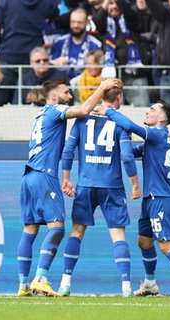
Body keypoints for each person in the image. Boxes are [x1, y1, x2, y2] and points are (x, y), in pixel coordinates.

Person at [17, 77, 119, 297]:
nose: (70, 96)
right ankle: (41, 278)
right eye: (66, 92)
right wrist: (101, 88)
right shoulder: (54, 110)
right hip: (45, 175)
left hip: (28, 176)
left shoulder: (40, 114)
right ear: (54, 96)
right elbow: (83, 111)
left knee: (30, 231)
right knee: (58, 228)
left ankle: (23, 285)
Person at [97, 100, 170, 298]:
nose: (147, 111)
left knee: (165, 245)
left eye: (152, 109)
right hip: (150, 199)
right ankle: (150, 284)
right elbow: (128, 152)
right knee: (144, 242)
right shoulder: (152, 141)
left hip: (161, 198)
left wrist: (108, 111)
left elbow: (130, 126)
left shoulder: (158, 133)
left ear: (161, 118)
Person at [57, 79, 142, 297]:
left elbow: (68, 151)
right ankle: (126, 287)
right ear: (119, 98)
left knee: (77, 232)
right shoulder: (121, 123)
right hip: (111, 186)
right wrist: (134, 184)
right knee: (118, 235)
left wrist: (66, 178)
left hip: (86, 184)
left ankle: (65, 283)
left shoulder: (82, 119)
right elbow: (125, 156)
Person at [0, 0, 59, 102]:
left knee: (1, 99)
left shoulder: (5, 2)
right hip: (33, 57)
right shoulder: (46, 2)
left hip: (9, 54)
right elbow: (55, 12)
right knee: (31, 101)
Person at [91, 0, 150, 107]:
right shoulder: (104, 25)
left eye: (116, 3)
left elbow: (130, 13)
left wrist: (119, 2)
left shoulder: (131, 21)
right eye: (111, 3)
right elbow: (96, 20)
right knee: (111, 114)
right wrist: (106, 2)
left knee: (140, 113)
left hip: (135, 78)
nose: (114, 6)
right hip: (112, 80)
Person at [50, 7, 102, 82]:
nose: (75, 26)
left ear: (87, 22)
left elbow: (98, 71)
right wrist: (55, 63)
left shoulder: (95, 45)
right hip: (60, 85)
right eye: (73, 22)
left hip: (84, 87)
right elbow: (49, 66)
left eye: (79, 22)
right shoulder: (59, 42)